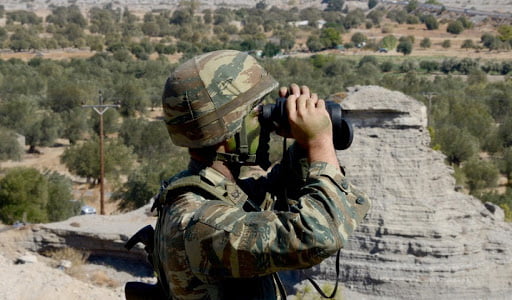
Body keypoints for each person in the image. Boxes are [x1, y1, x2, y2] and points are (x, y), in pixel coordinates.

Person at [149, 50, 370, 300]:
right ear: (229, 128)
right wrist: (319, 143)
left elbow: (271, 193)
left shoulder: (209, 189)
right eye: (257, 112)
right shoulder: (201, 222)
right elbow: (318, 236)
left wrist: (302, 145)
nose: (267, 123)